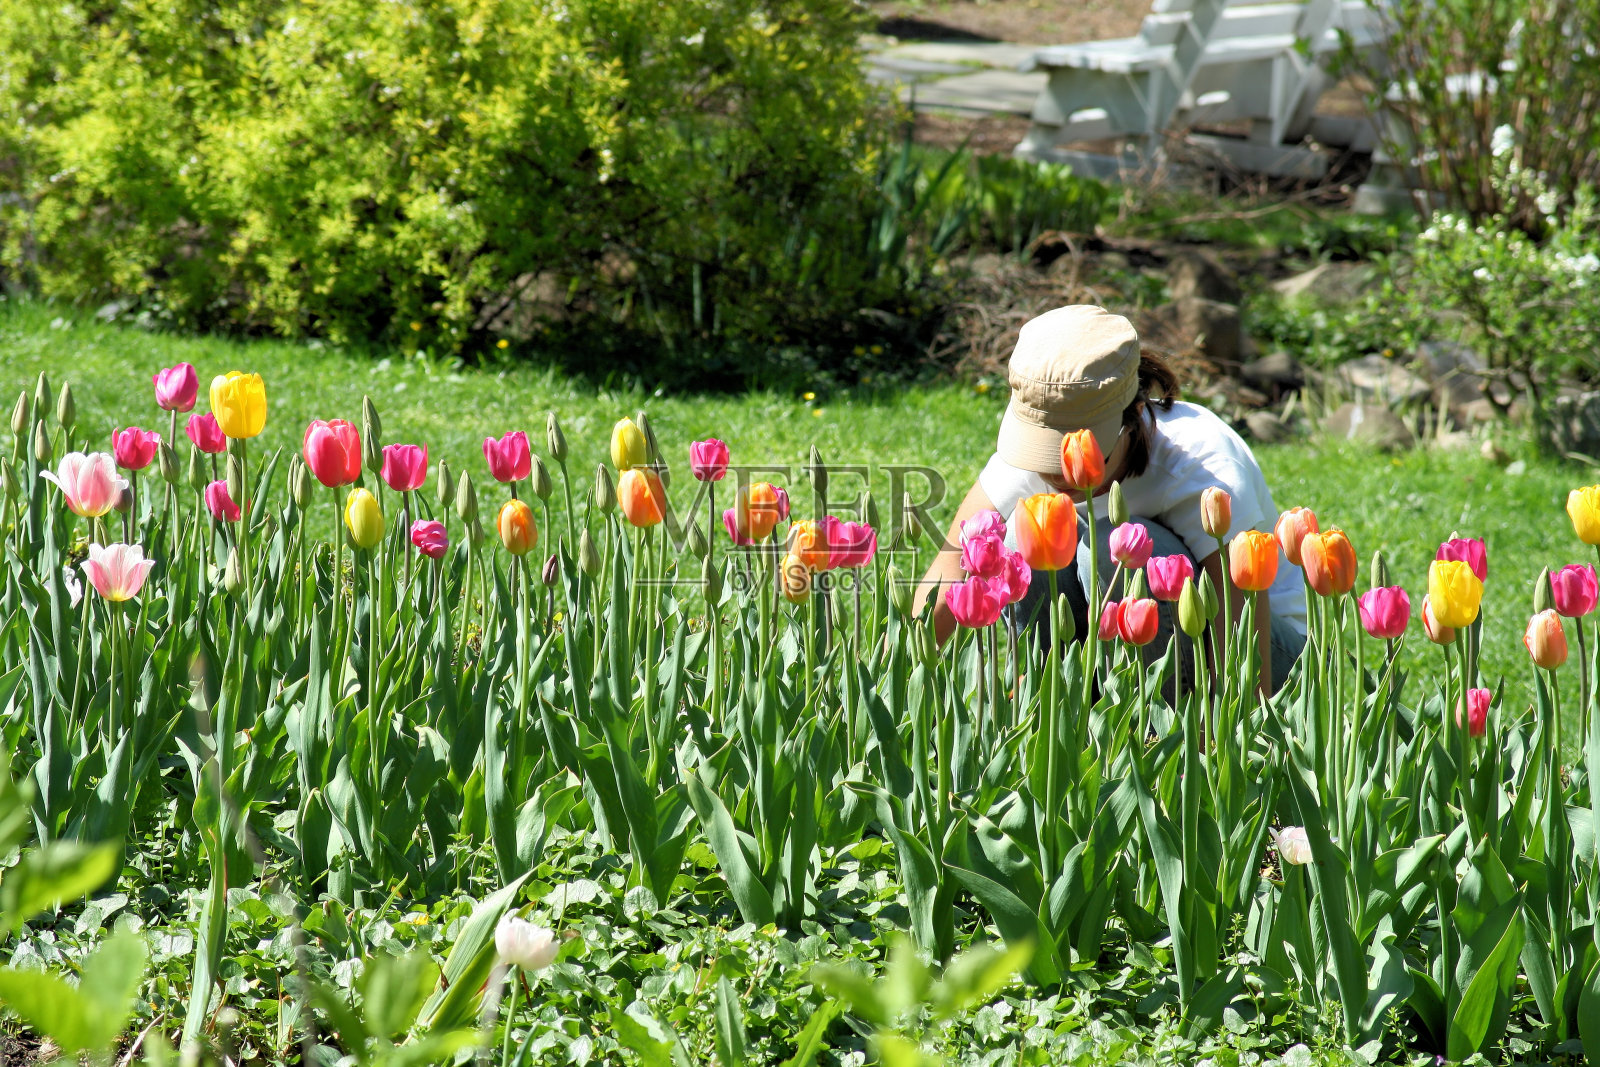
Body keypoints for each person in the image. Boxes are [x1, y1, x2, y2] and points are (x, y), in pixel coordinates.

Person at [915, 304, 1306, 694]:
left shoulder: (1199, 466)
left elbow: (1240, 619)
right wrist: (891, 680)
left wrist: (1229, 733)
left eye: (1072, 453)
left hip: (1266, 650)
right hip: (1117, 651)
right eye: (1041, 454)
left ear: (1130, 418)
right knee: (1021, 537)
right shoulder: (1025, 465)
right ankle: (1055, 707)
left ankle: (1162, 727)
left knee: (1112, 548)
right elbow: (949, 572)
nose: (1054, 473)